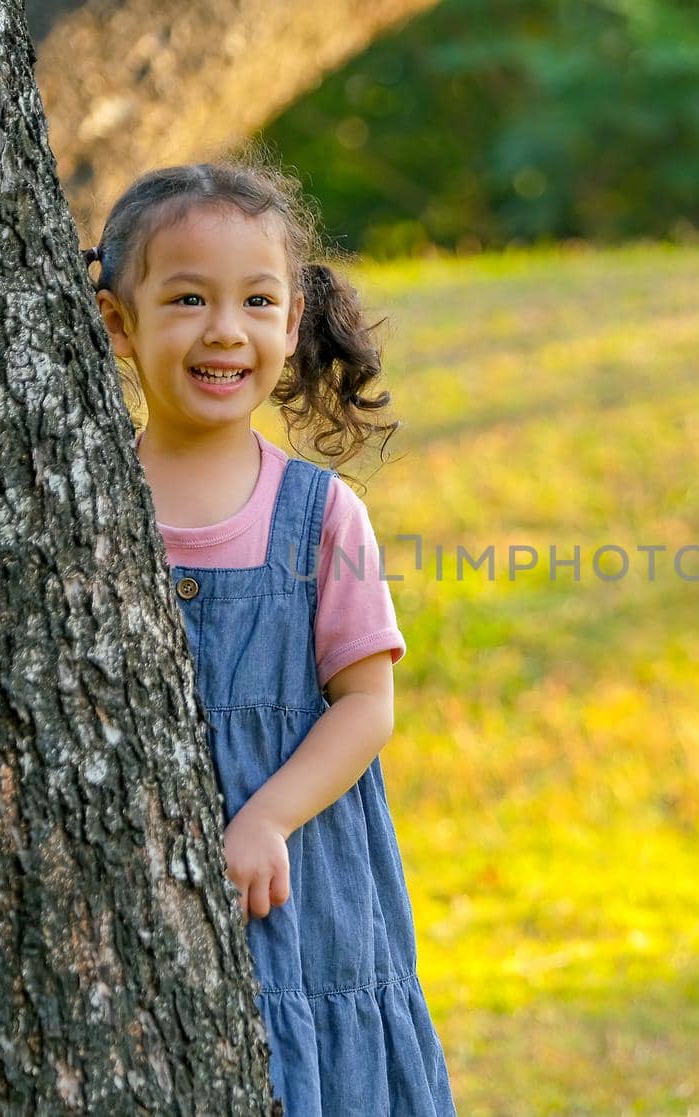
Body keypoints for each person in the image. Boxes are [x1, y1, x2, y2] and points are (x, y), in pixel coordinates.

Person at [84, 160, 456, 1115]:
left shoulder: (321, 514)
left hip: (302, 892)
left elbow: (367, 706)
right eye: (186, 298)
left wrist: (267, 817)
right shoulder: (80, 501)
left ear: (291, 326)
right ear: (118, 324)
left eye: (256, 299)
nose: (223, 328)